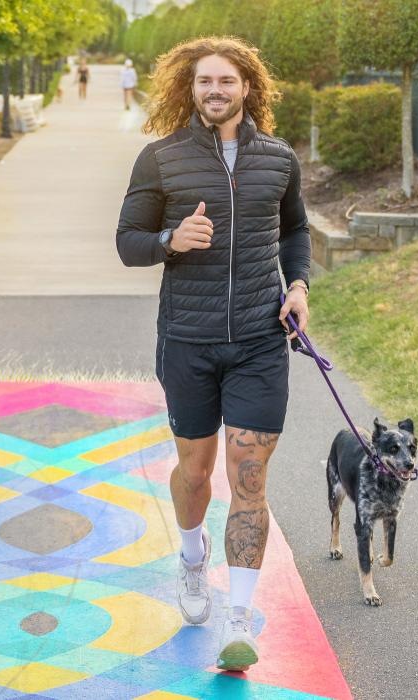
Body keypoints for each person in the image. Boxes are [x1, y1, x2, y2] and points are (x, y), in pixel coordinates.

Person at [113, 36, 310, 672]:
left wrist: (298, 286)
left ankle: (238, 618)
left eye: (227, 80)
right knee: (195, 474)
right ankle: (192, 555)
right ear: (189, 89)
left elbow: (296, 230)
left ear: (247, 87)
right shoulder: (161, 160)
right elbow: (127, 242)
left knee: (248, 479)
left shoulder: (278, 159)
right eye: (204, 82)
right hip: (188, 342)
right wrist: (172, 238)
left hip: (259, 339)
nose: (215, 90)